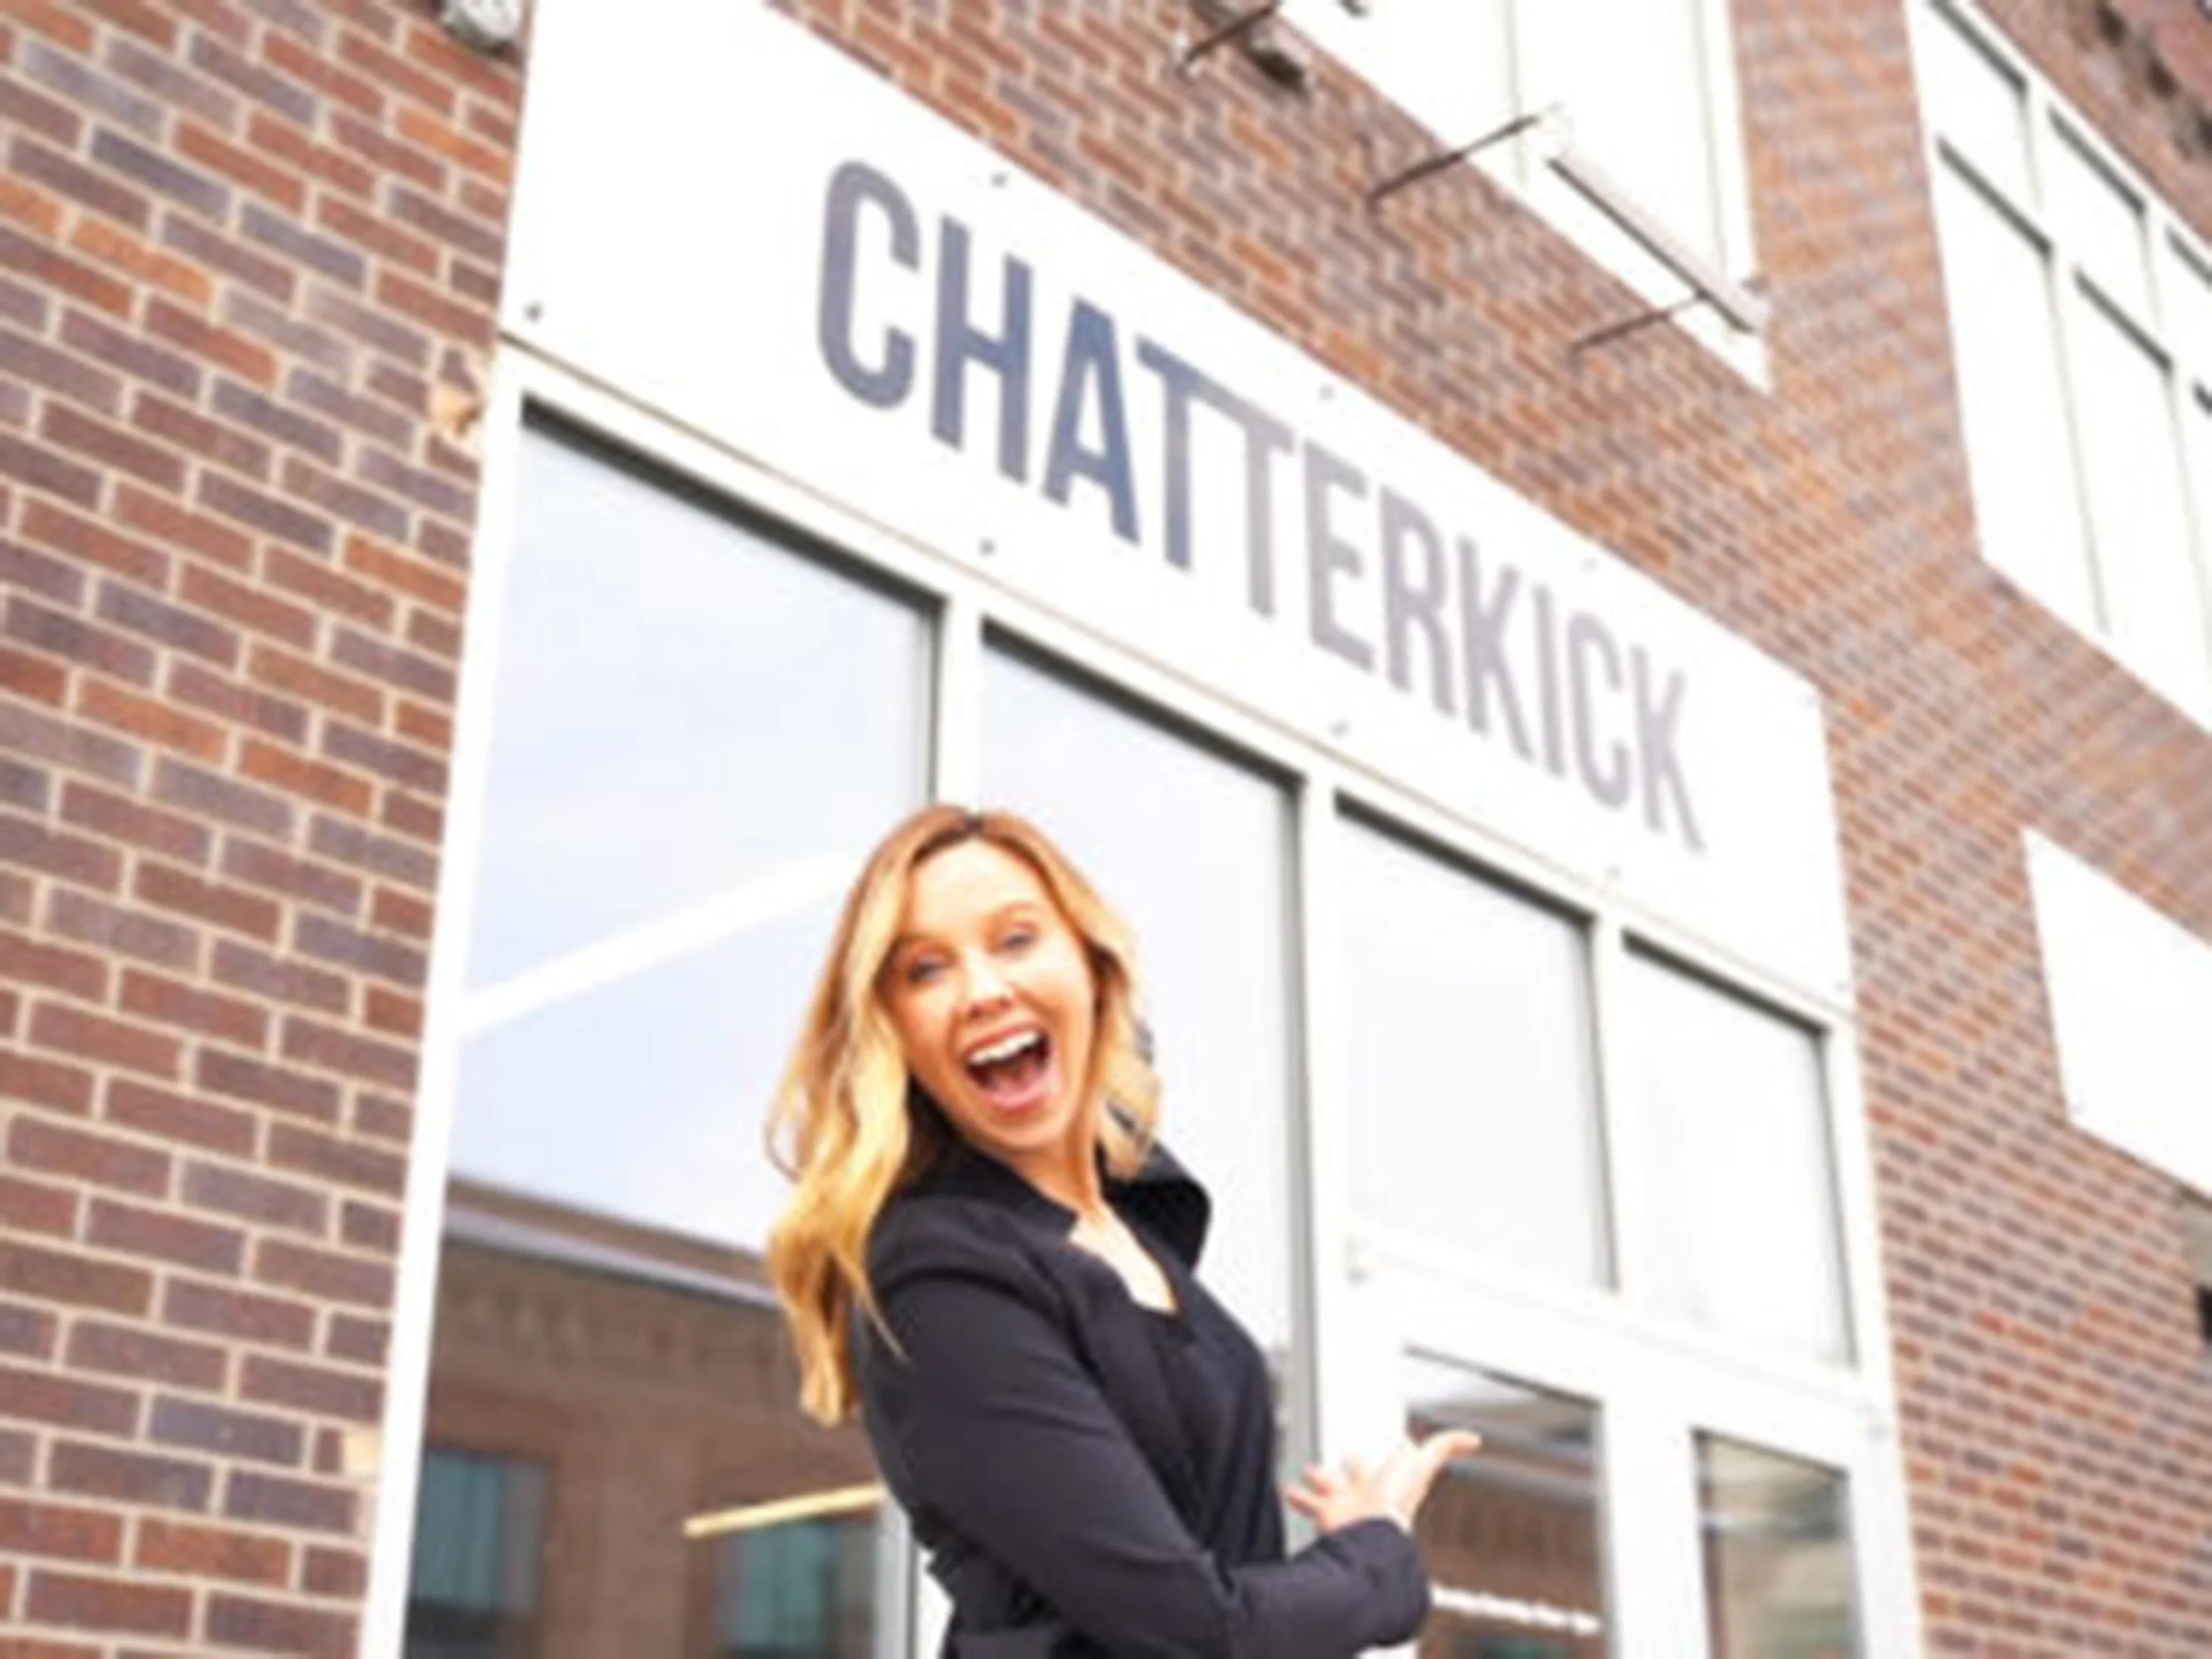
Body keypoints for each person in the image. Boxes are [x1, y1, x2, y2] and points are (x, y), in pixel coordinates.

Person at [768, 803, 1476, 1657]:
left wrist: (1354, 1548)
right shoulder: (938, 1273)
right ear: (897, 1034)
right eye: (926, 969)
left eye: (1016, 938)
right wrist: (1376, 1564)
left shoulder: (1142, 1235)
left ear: (1091, 966)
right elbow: (1191, 1629)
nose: (985, 989)